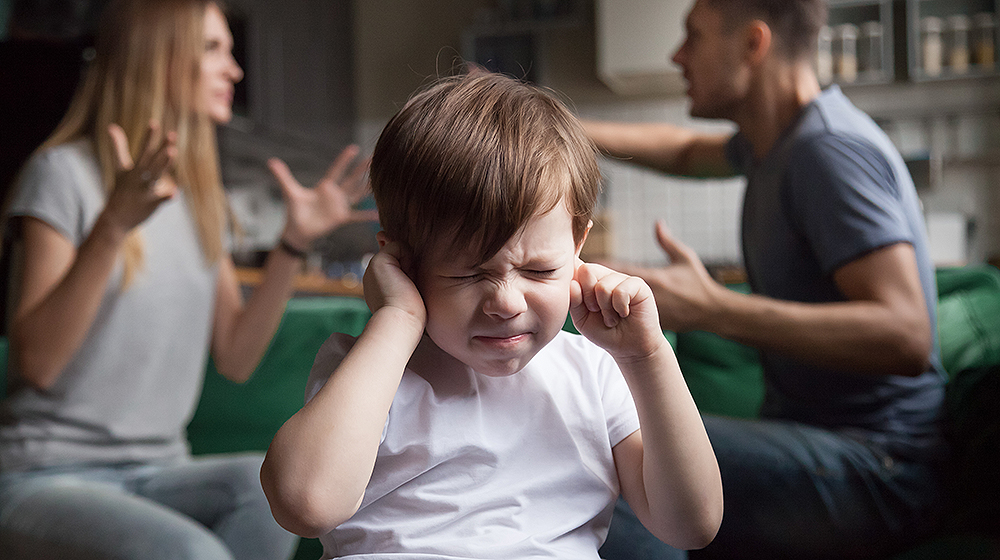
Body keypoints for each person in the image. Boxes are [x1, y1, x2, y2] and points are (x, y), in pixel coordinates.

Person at [259, 72, 724, 560]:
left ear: (577, 245)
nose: (506, 302)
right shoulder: (371, 371)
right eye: (466, 274)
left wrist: (647, 357)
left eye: (539, 270)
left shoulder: (595, 372)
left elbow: (692, 524)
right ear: (401, 261)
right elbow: (304, 505)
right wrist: (396, 320)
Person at [0, 0, 374, 559]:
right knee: (190, 554)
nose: (234, 69)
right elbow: (36, 363)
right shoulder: (62, 175)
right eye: (213, 50)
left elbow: (237, 357)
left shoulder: (201, 198)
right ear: (161, 61)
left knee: (262, 488)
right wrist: (112, 227)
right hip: (44, 475)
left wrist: (292, 245)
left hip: (160, 470)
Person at [583, 0, 948, 559]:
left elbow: (907, 335)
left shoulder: (826, 152)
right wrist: (552, 125)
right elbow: (681, 149)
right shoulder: (773, 144)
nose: (677, 56)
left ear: (754, 44)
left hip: (881, 469)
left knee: (627, 460)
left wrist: (711, 308)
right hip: (844, 452)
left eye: (694, 36)